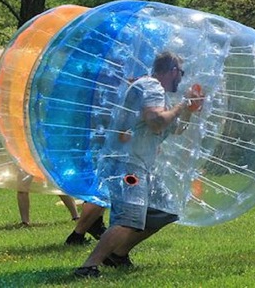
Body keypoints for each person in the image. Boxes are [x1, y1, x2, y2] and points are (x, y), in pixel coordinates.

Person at [74, 51, 202, 277]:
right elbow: (155, 122)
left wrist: (189, 111)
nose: (181, 79)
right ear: (172, 71)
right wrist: (182, 105)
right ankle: (88, 266)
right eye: (181, 73)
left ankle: (118, 254)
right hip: (128, 167)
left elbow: (175, 128)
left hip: (141, 165)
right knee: (128, 218)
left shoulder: (157, 93)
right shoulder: (151, 86)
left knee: (165, 211)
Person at [16, 170, 80, 227]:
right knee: (22, 189)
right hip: (26, 161)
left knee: (59, 187)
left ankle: (76, 216)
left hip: (45, 159)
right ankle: (25, 222)